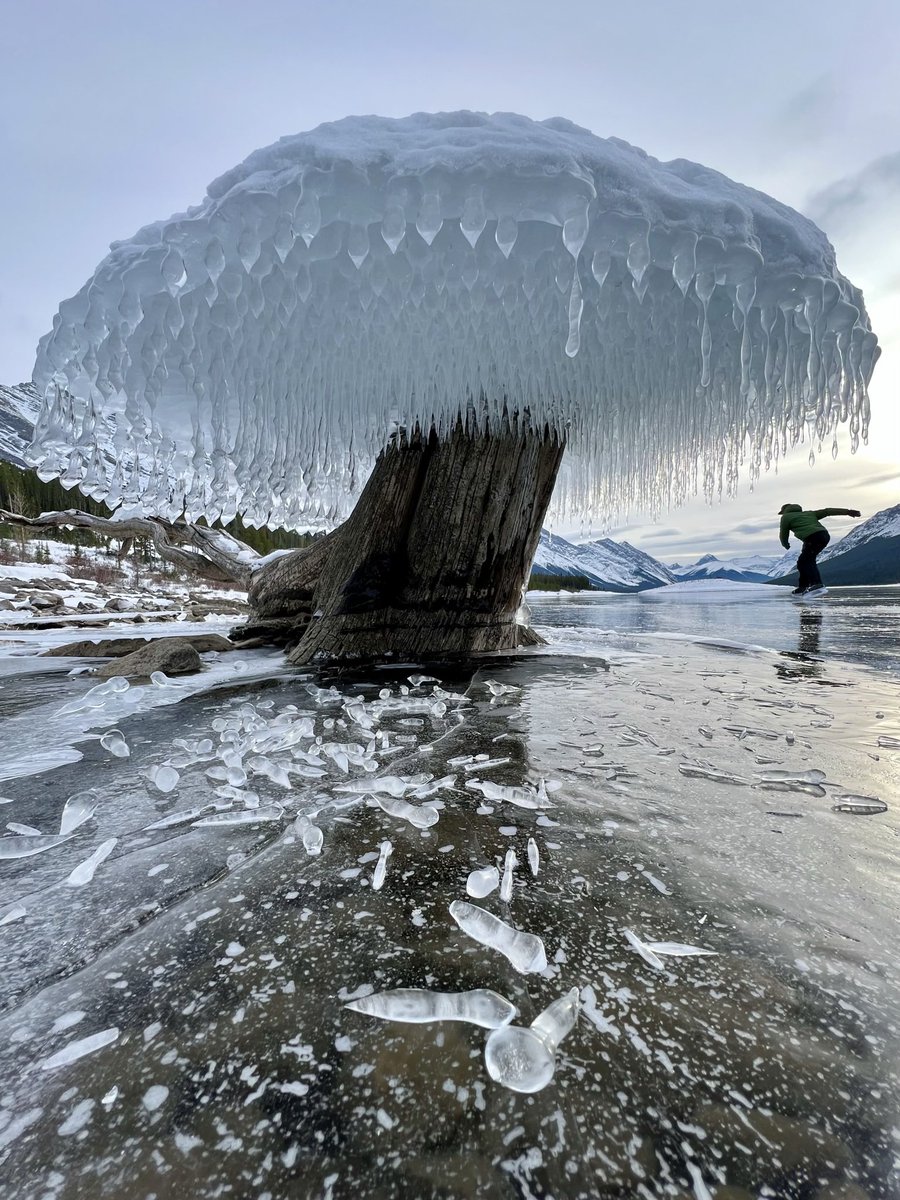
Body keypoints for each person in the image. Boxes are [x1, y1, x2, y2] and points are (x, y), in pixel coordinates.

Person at [778, 503, 861, 594]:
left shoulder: (785, 517)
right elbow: (827, 511)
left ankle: (817, 584)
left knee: (807, 561)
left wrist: (785, 544)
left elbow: (783, 532)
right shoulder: (809, 513)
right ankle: (803, 587)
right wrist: (848, 512)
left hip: (812, 537)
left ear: (784, 511)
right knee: (803, 562)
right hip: (823, 535)